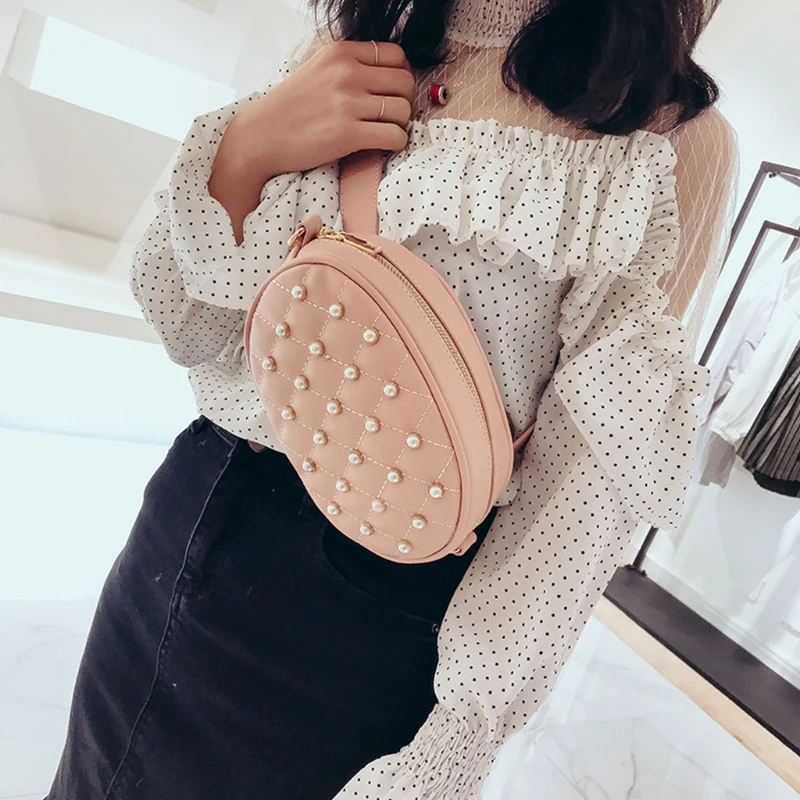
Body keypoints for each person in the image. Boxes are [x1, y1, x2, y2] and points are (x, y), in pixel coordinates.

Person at [48, 0, 737, 797]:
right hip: (190, 510)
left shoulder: (667, 136)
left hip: (371, 618)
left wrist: (456, 740)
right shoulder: (360, 38)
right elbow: (190, 327)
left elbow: (576, 502)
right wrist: (245, 149)